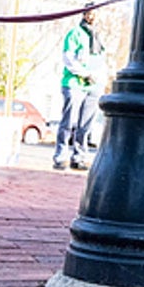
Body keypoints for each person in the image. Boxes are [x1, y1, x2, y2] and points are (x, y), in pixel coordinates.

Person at [53, 10, 105, 171]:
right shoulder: (75, 34)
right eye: (89, 13)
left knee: (86, 125)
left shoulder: (98, 37)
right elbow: (69, 58)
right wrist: (85, 74)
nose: (92, 16)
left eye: (96, 13)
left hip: (94, 86)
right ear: (84, 14)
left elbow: (101, 61)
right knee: (68, 122)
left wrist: (99, 79)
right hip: (75, 83)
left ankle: (79, 156)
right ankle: (61, 156)